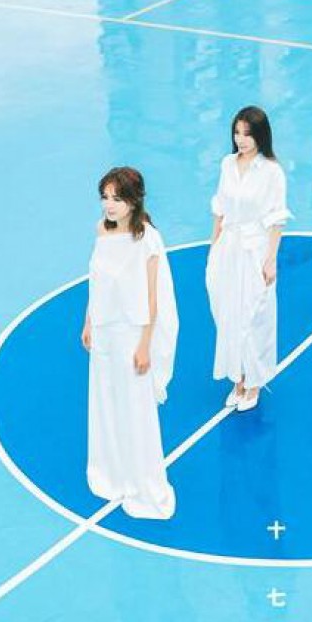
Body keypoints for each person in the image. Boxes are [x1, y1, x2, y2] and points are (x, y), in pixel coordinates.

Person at [81, 167, 178, 519]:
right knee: (105, 402)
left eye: (117, 199)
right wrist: (89, 321)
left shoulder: (147, 239)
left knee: (136, 411)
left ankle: (143, 484)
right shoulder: (101, 230)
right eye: (105, 197)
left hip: (131, 334)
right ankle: (112, 475)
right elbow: (96, 280)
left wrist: (145, 344)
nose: (109, 205)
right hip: (104, 331)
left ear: (134, 201)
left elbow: (153, 298)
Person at [206, 106, 291, 412]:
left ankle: (254, 382)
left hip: (254, 250)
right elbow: (220, 208)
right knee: (228, 314)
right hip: (227, 249)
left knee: (255, 317)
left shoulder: (272, 171)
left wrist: (270, 260)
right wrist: (214, 246)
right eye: (237, 133)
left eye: (247, 134)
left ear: (260, 136)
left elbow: (277, 219)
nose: (240, 140)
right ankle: (238, 378)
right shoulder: (227, 164)